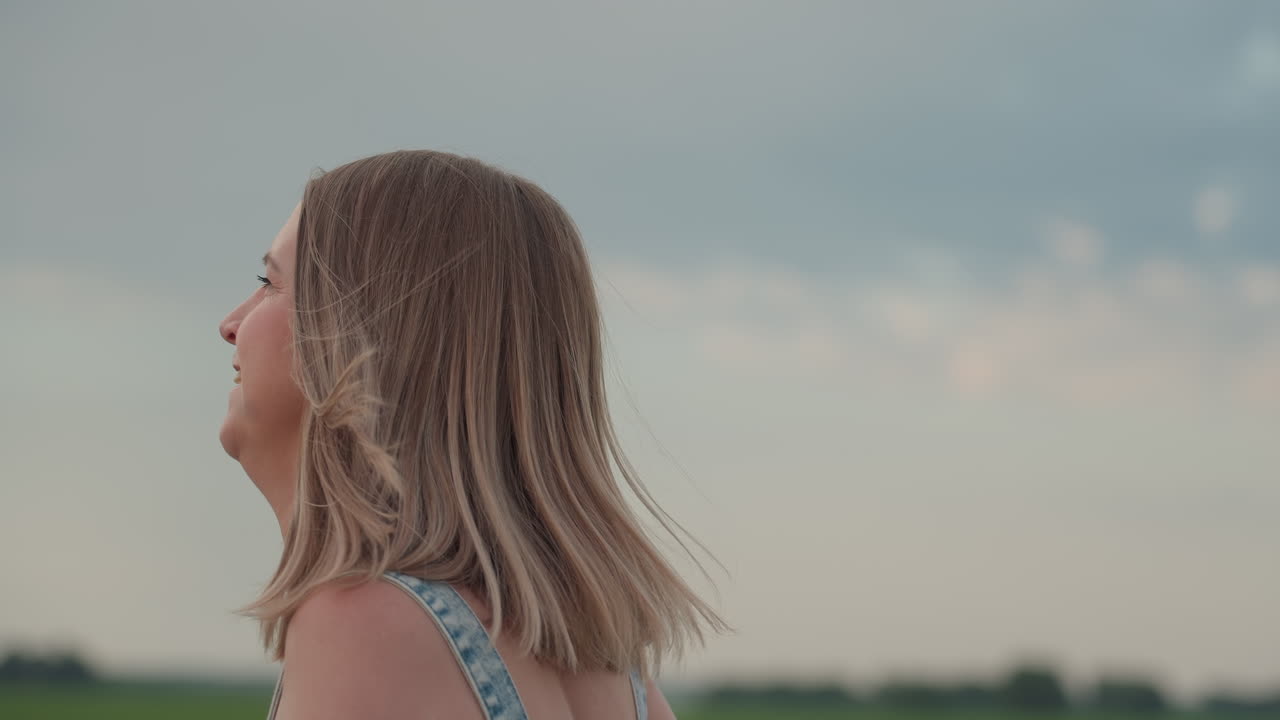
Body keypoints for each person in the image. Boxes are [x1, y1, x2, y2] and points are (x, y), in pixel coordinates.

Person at [218, 150, 729, 719]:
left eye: (270, 282)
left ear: (369, 336)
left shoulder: (362, 621)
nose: (231, 324)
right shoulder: (616, 671)